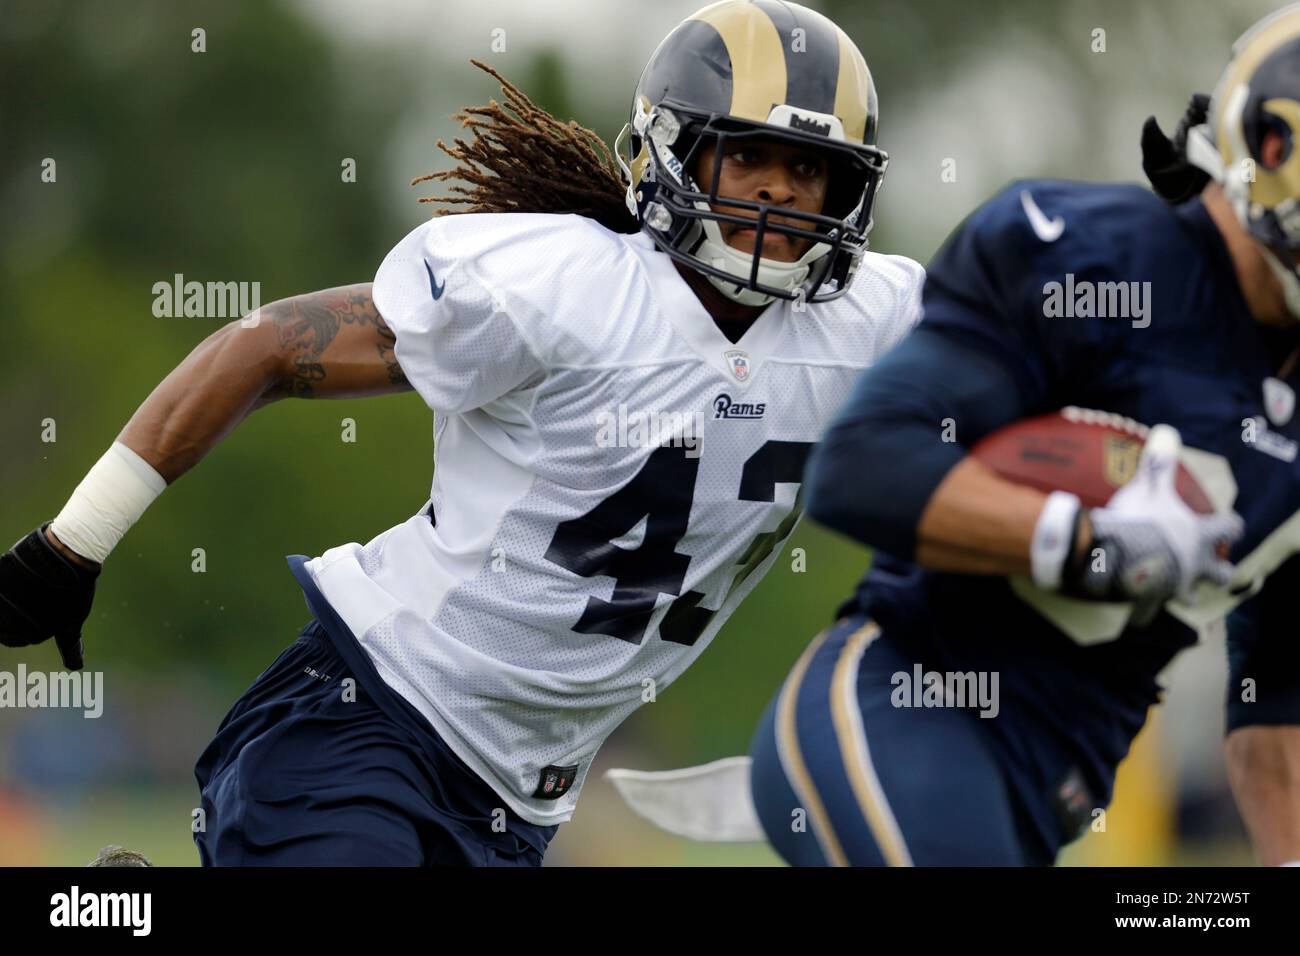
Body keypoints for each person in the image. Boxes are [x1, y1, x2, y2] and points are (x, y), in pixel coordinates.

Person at [0, 0, 923, 866]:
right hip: (370, 715)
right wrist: (73, 543)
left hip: (519, 803)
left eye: (810, 170)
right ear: (675, 152)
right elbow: (270, 344)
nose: (779, 194)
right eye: (748, 156)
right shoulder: (563, 287)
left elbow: (1039, 359)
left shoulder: (871, 323)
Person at [746, 3, 1300, 866]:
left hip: (1054, 793)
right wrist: (1094, 544)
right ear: (1272, 145)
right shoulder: (1096, 260)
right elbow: (863, 464)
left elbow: (1276, 704)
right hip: (905, 708)